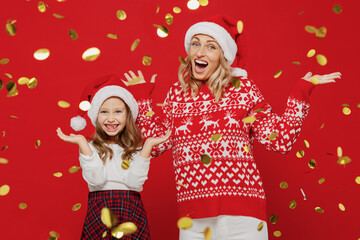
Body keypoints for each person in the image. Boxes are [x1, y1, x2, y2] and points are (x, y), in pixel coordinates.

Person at [124, 15, 341, 240]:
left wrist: (301, 92)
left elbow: (280, 140)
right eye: (196, 43)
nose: (200, 52)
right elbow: (157, 144)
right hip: (193, 218)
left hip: (243, 215)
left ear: (223, 55)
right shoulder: (177, 93)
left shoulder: (243, 88)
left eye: (211, 46)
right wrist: (142, 100)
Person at [56, 74, 171, 240]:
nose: (111, 118)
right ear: (96, 115)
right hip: (99, 210)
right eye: (104, 112)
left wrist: (146, 147)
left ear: (128, 115)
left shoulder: (135, 147)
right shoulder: (91, 147)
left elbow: (133, 182)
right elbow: (96, 180)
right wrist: (82, 144)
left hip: (130, 210)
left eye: (118, 111)